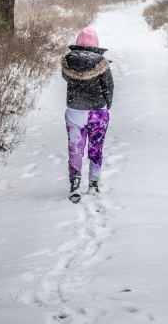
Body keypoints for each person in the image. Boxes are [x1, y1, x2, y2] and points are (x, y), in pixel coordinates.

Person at [61, 26, 114, 203]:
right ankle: (93, 182)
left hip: (75, 111)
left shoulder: (68, 61)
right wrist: (108, 104)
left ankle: (75, 182)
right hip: (97, 112)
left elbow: (66, 78)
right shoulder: (102, 63)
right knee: (96, 148)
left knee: (75, 149)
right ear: (96, 45)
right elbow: (109, 86)